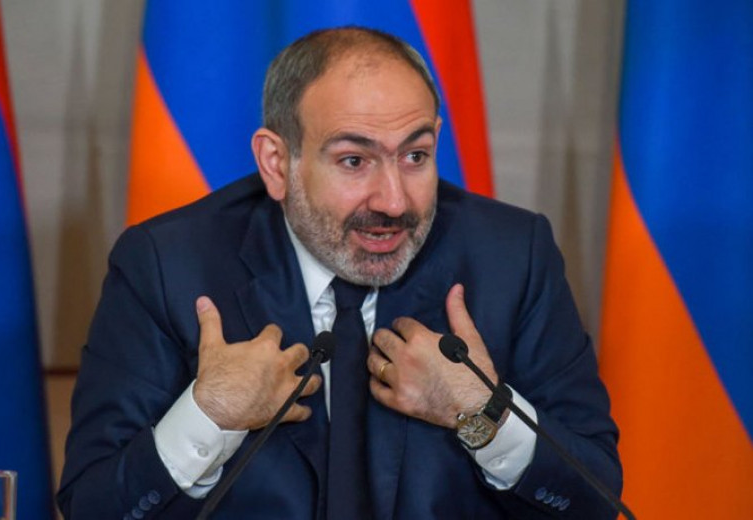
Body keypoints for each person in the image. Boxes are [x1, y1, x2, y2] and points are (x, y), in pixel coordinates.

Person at [58, 27, 622, 519]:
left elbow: (595, 501)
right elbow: (94, 507)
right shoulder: (167, 264)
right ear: (277, 164)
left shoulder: (512, 256)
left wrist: (483, 416)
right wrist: (210, 417)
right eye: (354, 161)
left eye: (416, 156)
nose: (394, 201)